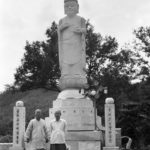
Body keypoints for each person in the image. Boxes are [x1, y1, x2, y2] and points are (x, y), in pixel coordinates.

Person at [58, 0, 87, 90]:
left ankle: (77, 74)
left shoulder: (81, 19)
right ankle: (65, 74)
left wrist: (81, 31)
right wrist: (61, 29)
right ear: (64, 8)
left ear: (77, 7)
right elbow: (58, 33)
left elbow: (85, 31)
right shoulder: (62, 20)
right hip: (65, 47)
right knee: (65, 65)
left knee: (77, 63)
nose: (69, 8)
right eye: (67, 6)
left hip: (77, 46)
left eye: (72, 6)